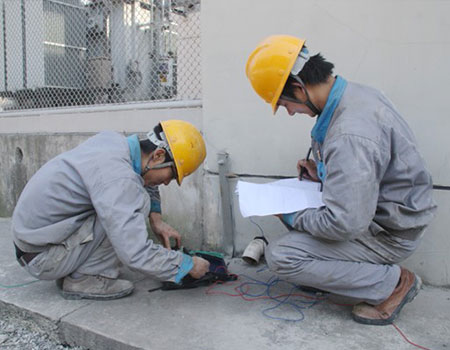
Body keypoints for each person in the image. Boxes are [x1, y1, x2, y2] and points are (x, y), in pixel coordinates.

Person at [245, 35, 436, 325]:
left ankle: (392, 284)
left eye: (285, 104)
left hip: (389, 233)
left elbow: (345, 223)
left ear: (299, 87)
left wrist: (292, 214)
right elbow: (366, 169)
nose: (290, 112)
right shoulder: (356, 96)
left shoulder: (350, 133)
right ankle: (342, 275)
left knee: (282, 256)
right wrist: (320, 171)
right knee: (301, 224)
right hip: (388, 215)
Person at [11, 119, 210, 300]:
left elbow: (146, 177)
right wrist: (186, 265)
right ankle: (84, 279)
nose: (167, 182)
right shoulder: (119, 180)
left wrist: (156, 220)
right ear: (158, 155)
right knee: (134, 205)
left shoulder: (114, 143)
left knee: (127, 203)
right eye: (172, 174)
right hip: (44, 258)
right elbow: (135, 253)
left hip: (34, 243)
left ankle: (82, 266)